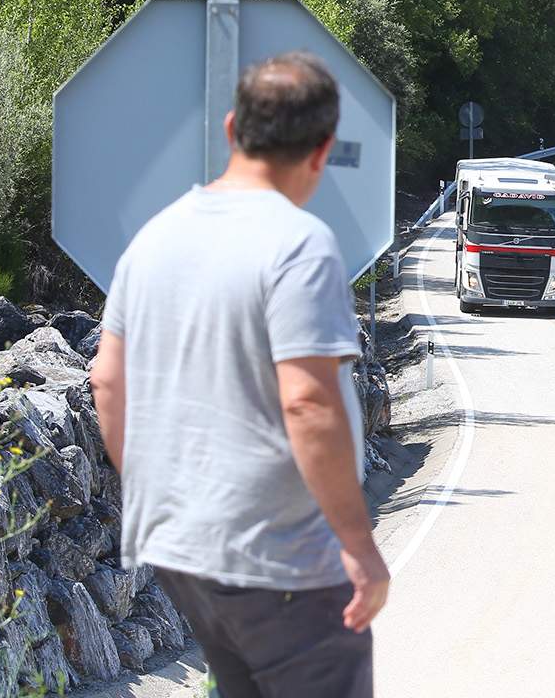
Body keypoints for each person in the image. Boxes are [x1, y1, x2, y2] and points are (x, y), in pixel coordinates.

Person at [90, 52, 388, 697]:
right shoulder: (300, 244)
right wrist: (358, 544)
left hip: (183, 552)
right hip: (283, 562)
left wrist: (162, 499)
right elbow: (308, 403)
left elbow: (107, 383)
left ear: (231, 129)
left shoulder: (154, 238)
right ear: (321, 150)